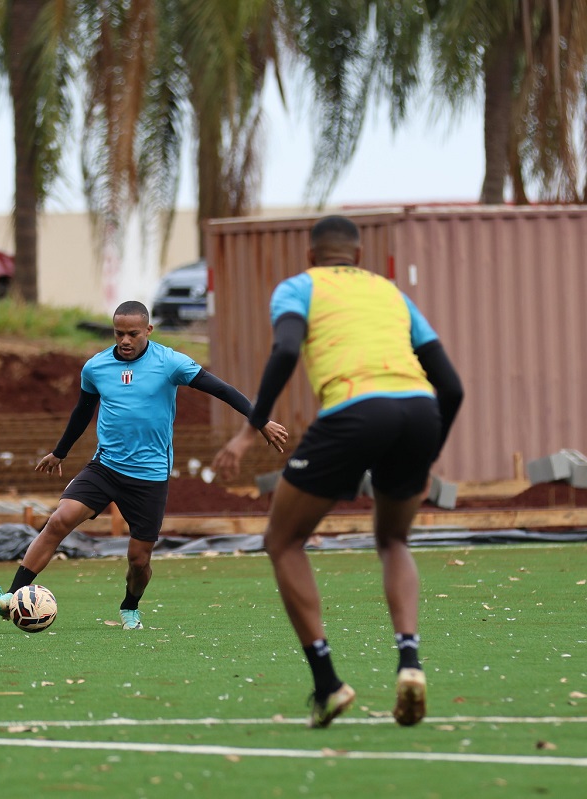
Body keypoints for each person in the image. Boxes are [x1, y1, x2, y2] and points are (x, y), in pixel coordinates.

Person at [211, 215, 464, 729]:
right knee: (394, 540)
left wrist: (247, 431)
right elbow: (452, 387)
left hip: (354, 411)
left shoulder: (298, 288)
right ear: (359, 257)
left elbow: (284, 349)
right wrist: (425, 456)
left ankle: (327, 684)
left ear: (311, 256)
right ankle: (410, 663)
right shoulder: (392, 294)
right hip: (420, 410)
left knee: (282, 541)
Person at [0, 300, 287, 630]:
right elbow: (82, 412)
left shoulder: (170, 362)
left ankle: (130, 605)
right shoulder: (96, 367)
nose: (125, 341)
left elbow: (222, 389)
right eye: (118, 334)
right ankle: (11, 596)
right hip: (105, 467)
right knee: (58, 521)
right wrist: (60, 452)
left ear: (148, 330)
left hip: (149, 476)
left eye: (132, 334)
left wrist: (261, 422)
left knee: (138, 560)